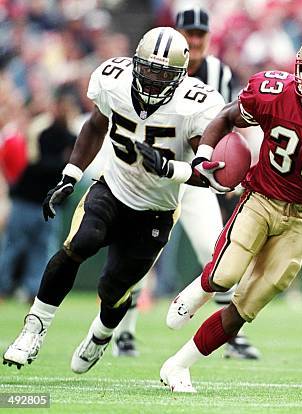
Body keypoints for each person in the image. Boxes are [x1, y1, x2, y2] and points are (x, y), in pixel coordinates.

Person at [158, 32, 302, 392]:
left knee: (248, 306)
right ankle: (198, 291)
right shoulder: (273, 92)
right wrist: (202, 156)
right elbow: (227, 116)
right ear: (298, 68)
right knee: (225, 275)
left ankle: (178, 365)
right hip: (261, 197)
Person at [2, 27, 225, 373]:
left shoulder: (194, 104)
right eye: (148, 70)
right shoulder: (114, 79)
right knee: (79, 243)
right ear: (136, 63)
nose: (151, 81)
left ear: (181, 76)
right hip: (113, 187)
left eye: (162, 75)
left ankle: (102, 333)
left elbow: (208, 173)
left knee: (114, 289)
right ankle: (34, 328)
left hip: (156, 210)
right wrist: (70, 176)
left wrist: (169, 168)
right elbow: (94, 126)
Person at [112, 5, 261, 360]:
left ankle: (230, 336)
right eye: (188, 33)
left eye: (200, 35)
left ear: (209, 39)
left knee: (217, 254)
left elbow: (226, 128)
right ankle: (123, 333)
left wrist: (228, 172)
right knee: (139, 259)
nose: (194, 41)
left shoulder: (218, 73)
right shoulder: (149, 65)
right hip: (151, 177)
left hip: (192, 177)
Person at [0, 84, 79, 303]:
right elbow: (38, 163)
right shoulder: (40, 131)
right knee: (14, 247)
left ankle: (32, 291)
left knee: (41, 251)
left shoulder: (73, 137)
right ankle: (3, 287)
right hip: (26, 199)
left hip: (50, 203)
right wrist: (61, 161)